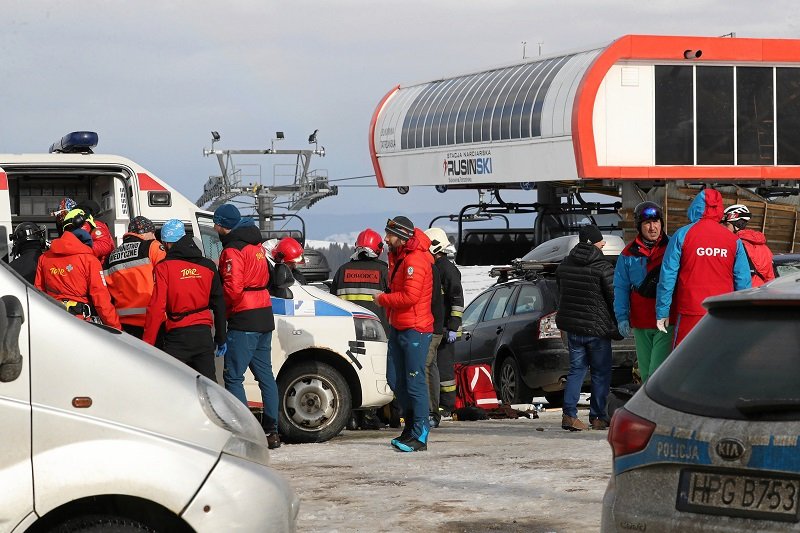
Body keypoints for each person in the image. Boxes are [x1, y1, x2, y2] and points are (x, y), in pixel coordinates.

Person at [213, 203, 281, 450]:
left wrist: (221, 310)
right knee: (266, 376)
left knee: (233, 376)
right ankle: (272, 431)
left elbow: (232, 289)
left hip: (245, 316)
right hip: (264, 313)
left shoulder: (232, 250)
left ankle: (245, 432)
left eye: (216, 223)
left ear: (223, 225)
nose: (214, 227)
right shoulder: (256, 246)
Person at [656, 189, 751, 348]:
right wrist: (743, 313)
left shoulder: (682, 235)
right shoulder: (733, 240)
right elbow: (743, 280)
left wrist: (662, 311)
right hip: (722, 312)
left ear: (696, 207)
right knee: (719, 358)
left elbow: (667, 277)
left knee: (685, 360)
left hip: (690, 310)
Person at [375, 215, 434, 452]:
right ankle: (409, 427)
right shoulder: (400, 257)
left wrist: (382, 299)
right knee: (396, 380)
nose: (386, 238)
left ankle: (420, 433)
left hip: (415, 329)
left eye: (390, 234)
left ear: (401, 236)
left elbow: (410, 297)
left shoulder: (415, 261)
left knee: (414, 381)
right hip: (399, 326)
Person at [143, 219, 226, 382]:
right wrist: (221, 337)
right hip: (203, 336)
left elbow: (156, 308)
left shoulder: (163, 267)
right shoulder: (208, 266)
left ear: (166, 243)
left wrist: (148, 343)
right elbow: (219, 303)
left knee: (174, 384)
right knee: (208, 385)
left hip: (177, 337)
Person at [555, 225, 617, 431]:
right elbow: (614, 299)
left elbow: (560, 295)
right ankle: (598, 416)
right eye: (601, 241)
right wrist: (619, 324)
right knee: (600, 373)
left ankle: (569, 415)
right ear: (593, 243)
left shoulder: (564, 264)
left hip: (573, 329)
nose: (604, 243)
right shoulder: (603, 267)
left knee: (576, 371)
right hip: (598, 331)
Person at [330, 228, 390, 430]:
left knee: (349, 373)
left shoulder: (342, 270)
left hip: (344, 333)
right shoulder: (384, 271)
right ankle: (370, 416)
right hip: (376, 333)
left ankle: (351, 417)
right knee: (375, 374)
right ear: (378, 249)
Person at [614, 202, 672, 383]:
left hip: (667, 321)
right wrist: (622, 316)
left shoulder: (672, 248)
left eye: (656, 221)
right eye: (647, 223)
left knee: (657, 371)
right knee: (646, 372)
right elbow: (620, 287)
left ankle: (657, 408)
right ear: (639, 225)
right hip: (641, 322)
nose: (653, 227)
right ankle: (649, 409)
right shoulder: (628, 254)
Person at [34, 214, 121, 329]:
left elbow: (38, 293)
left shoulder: (44, 258)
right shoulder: (90, 260)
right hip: (80, 324)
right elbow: (101, 300)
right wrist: (116, 329)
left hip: (52, 321)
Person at [423, 227, 464, 424]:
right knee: (433, 367)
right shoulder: (433, 267)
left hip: (447, 329)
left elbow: (456, 300)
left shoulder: (448, 270)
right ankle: (437, 404)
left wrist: (454, 326)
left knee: (445, 370)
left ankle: (446, 406)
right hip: (433, 326)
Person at [104, 216, 166, 338]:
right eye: (152, 233)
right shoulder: (153, 247)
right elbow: (167, 278)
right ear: (145, 232)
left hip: (124, 324)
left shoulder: (110, 257)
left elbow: (106, 292)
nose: (154, 237)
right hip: (152, 321)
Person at [721, 204, 775, 287]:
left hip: (745, 293)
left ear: (737, 225)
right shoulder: (765, 248)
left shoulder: (735, 246)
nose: (723, 228)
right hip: (762, 293)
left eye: (727, 225)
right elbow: (770, 277)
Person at [76, 199, 115, 264]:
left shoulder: (96, 225)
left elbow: (104, 246)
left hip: (99, 265)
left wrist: (81, 248)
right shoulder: (84, 225)